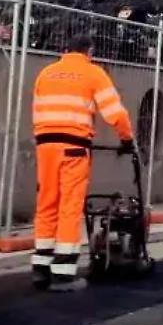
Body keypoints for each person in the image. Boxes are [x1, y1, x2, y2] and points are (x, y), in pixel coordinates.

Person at [31, 34, 134, 290]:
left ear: (66, 50)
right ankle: (63, 274)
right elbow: (114, 113)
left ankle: (41, 268)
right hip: (73, 147)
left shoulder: (46, 73)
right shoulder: (93, 73)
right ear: (89, 51)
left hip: (45, 144)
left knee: (47, 203)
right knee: (69, 205)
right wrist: (127, 139)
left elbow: (37, 110)